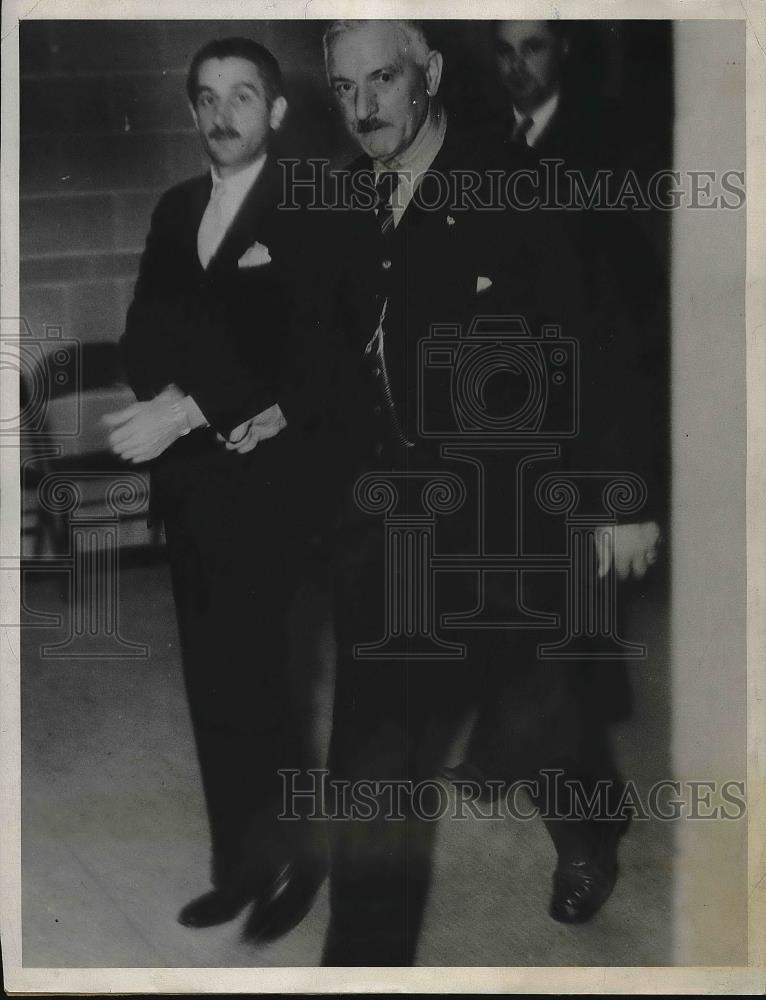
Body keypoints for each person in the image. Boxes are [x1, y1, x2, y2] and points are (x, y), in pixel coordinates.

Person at [317, 18, 657, 966]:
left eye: (382, 79)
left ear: (426, 74)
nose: (364, 107)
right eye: (345, 90)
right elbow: (322, 358)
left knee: (547, 715)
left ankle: (590, 825)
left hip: (508, 517)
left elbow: (598, 341)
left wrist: (620, 497)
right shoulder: (345, 200)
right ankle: (363, 968)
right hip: (391, 527)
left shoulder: (516, 181)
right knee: (374, 766)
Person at [104, 37, 330, 942]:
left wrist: (195, 402)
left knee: (272, 680)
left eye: (243, 97)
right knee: (211, 680)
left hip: (273, 486)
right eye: (206, 97)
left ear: (276, 112)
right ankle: (237, 862)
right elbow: (140, 332)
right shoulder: (173, 209)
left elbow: (301, 347)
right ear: (191, 110)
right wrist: (163, 396)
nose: (222, 114)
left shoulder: (306, 206)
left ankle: (304, 858)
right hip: (194, 490)